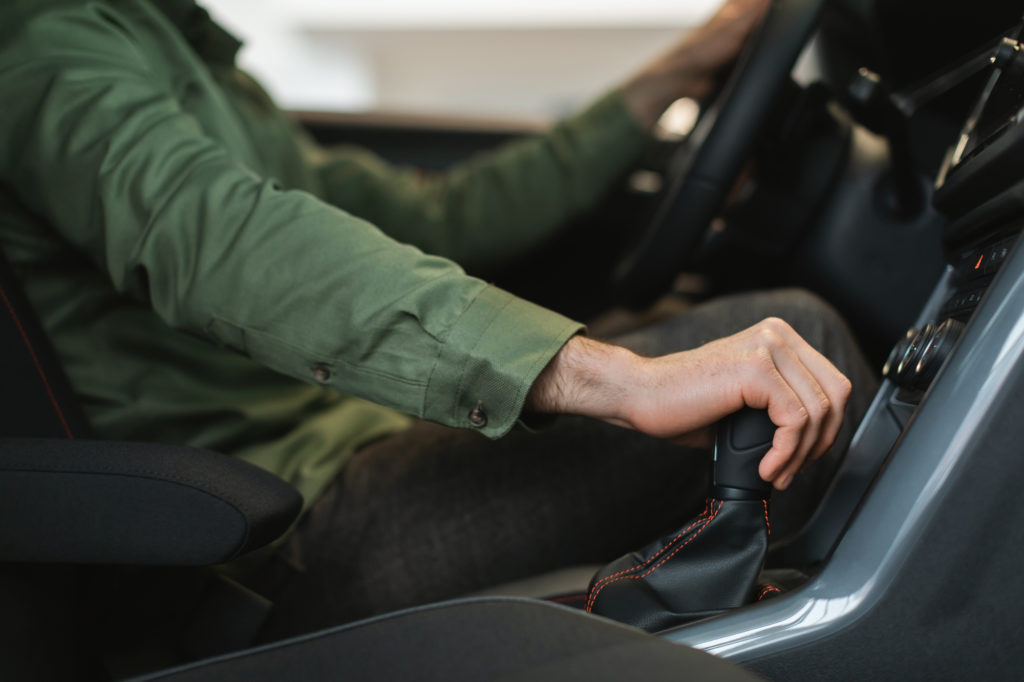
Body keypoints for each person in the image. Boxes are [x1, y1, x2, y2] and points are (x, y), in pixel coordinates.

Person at [0, 0, 876, 641]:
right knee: (794, 345)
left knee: (725, 336)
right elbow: (238, 246)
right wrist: (622, 380)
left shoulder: (169, 45)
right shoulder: (44, 54)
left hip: (357, 445)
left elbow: (435, 216)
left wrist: (676, 74)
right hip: (281, 529)